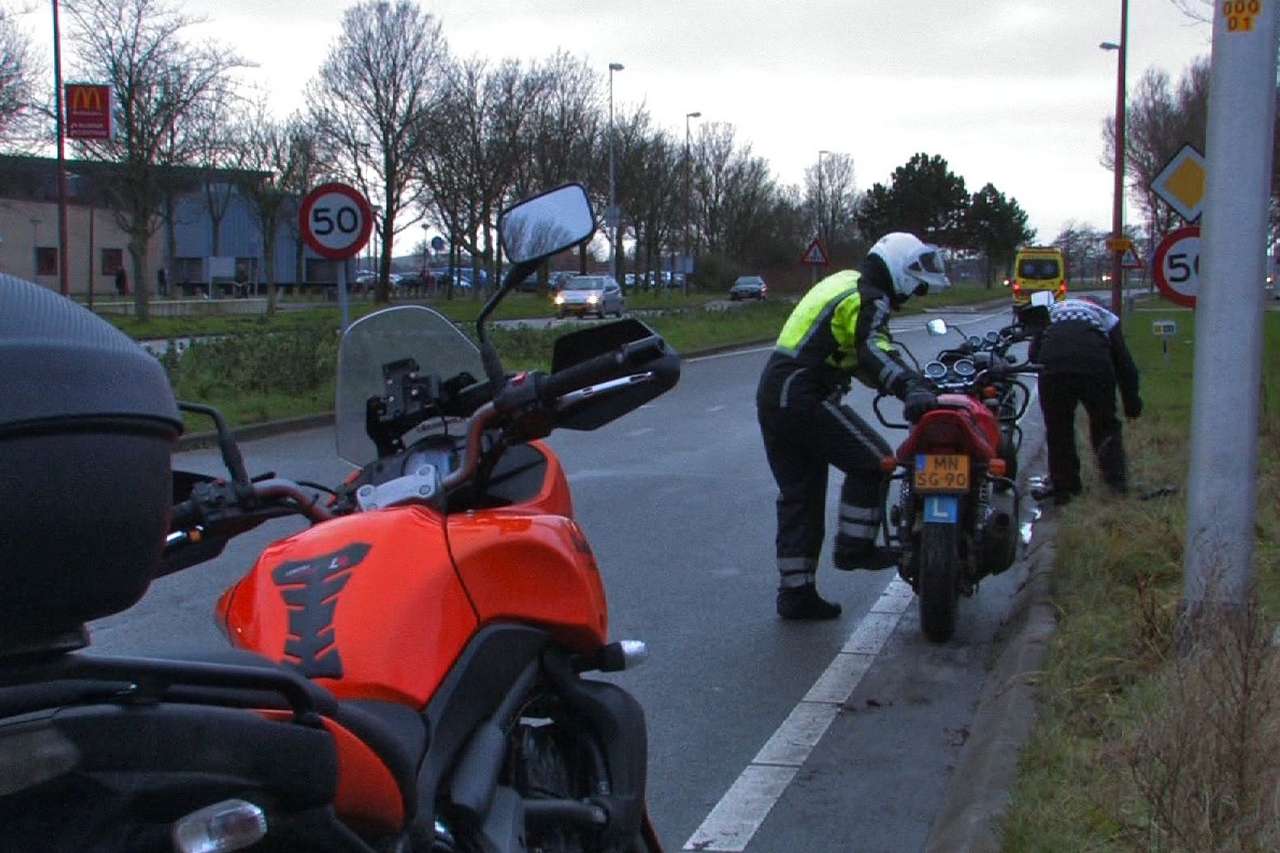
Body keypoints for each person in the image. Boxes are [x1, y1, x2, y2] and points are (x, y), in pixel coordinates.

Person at [757, 233, 949, 620]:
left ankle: (796, 594)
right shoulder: (870, 295)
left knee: (800, 496)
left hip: (776, 393)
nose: (915, 292)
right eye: (915, 279)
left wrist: (901, 385)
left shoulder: (846, 284)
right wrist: (911, 386)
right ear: (899, 267)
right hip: (803, 393)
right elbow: (874, 350)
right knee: (875, 460)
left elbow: (858, 359)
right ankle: (854, 548)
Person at [1023, 296, 1142, 505]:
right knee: (1105, 425)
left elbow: (1033, 354)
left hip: (1053, 369)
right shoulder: (1106, 317)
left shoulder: (1052, 311)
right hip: (1095, 366)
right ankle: (1115, 484)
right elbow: (1124, 362)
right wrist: (1132, 403)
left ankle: (1065, 489)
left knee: (1058, 429)